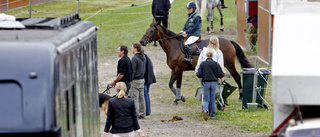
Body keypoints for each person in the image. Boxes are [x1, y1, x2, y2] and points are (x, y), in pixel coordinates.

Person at [197, 50, 225, 121]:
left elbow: (199, 75)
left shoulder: (203, 64)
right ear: (212, 56)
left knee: (206, 99)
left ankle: (205, 110)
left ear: (206, 55)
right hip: (214, 83)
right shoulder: (215, 64)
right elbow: (221, 74)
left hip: (206, 83)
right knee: (212, 99)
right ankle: (212, 115)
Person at [129, 43, 146, 119]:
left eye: (132, 48)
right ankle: (142, 113)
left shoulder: (134, 58)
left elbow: (133, 71)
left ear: (136, 49)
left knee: (134, 97)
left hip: (135, 80)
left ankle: (135, 113)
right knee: (141, 97)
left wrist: (130, 79)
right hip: (142, 79)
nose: (131, 49)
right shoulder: (143, 57)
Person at [141, 47, 156, 116]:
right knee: (146, 94)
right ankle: (147, 110)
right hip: (148, 79)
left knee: (145, 94)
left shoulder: (143, 58)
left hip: (145, 79)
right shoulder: (146, 57)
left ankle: (147, 111)